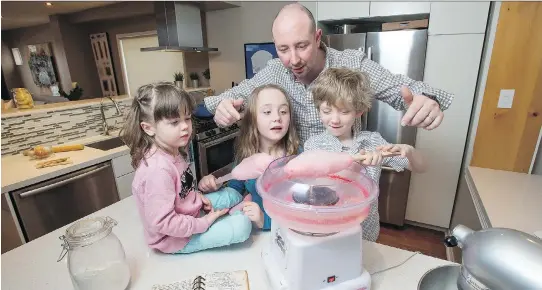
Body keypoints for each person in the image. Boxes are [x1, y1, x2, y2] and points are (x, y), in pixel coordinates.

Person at [204, 3, 454, 144]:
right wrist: (223, 108)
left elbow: (404, 90)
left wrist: (427, 100)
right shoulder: (274, 71)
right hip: (299, 188)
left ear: (317, 37)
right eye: (283, 49)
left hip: (347, 185)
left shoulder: (350, 64)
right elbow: (225, 100)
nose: (293, 59)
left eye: (302, 46)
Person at [121, 82, 251, 254]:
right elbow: (163, 222)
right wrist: (204, 223)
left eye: (187, 118)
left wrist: (195, 196)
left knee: (232, 194)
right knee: (242, 226)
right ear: (148, 128)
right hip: (174, 239)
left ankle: (228, 213)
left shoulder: (174, 150)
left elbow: (180, 190)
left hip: (189, 213)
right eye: (174, 122)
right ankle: (230, 217)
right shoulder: (157, 170)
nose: (185, 127)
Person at [304, 68, 427, 242]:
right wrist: (356, 166)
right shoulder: (313, 145)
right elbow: (318, 189)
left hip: (365, 231)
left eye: (344, 111)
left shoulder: (373, 142)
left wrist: (409, 151)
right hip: (326, 229)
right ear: (318, 110)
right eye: (327, 111)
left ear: (358, 111)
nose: (335, 119)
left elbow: (421, 167)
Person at [198, 84, 301, 231]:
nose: (277, 117)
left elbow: (299, 211)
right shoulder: (245, 156)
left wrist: (264, 221)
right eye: (267, 111)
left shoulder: (296, 158)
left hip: (280, 236)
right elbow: (235, 192)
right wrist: (215, 185)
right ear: (252, 119)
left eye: (283, 111)